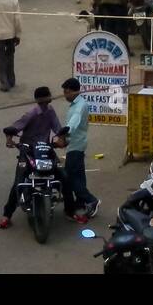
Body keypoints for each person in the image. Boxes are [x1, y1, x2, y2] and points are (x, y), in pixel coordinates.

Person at [0, 86, 63, 229]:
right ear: (40, 100)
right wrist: (9, 139)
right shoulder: (31, 114)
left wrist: (62, 138)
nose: (47, 100)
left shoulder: (51, 111)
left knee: (62, 175)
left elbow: (58, 129)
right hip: (27, 150)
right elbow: (14, 128)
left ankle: (70, 209)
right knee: (18, 182)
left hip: (44, 149)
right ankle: (6, 215)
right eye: (45, 97)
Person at [57, 77, 99, 223]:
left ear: (75, 91)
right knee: (79, 175)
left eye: (67, 92)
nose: (65, 94)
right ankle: (81, 201)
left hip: (75, 145)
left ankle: (91, 200)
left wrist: (64, 133)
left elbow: (73, 123)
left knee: (69, 178)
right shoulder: (76, 104)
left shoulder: (79, 106)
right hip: (76, 144)